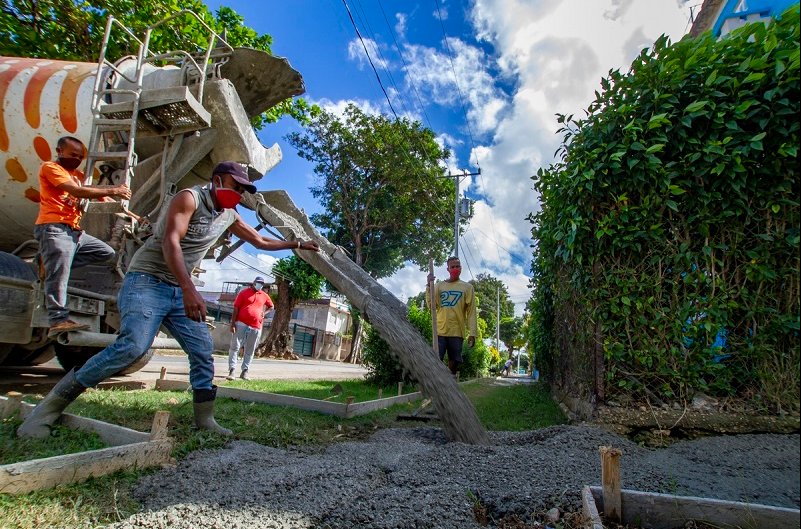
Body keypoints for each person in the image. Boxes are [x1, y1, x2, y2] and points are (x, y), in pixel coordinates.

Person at [18, 161, 320, 439]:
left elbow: (261, 241)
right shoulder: (190, 198)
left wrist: (296, 243)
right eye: (235, 186)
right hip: (146, 281)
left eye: (243, 190)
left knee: (203, 350)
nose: (238, 193)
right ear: (217, 181)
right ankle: (47, 410)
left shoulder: (228, 214)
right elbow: (170, 241)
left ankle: (205, 420)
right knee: (133, 347)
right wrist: (190, 289)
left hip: (178, 289)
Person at [35, 136, 132, 336]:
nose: (77, 159)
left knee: (105, 252)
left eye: (80, 156)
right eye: (73, 155)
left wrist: (132, 215)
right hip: (55, 227)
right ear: (60, 151)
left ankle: (47, 260)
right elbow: (76, 191)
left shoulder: (78, 174)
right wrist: (116, 189)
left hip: (75, 232)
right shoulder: (51, 168)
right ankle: (58, 320)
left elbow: (101, 198)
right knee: (59, 275)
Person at [427, 256, 477, 376]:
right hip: (439, 330)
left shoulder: (467, 288)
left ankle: (450, 384)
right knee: (436, 359)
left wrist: (473, 333)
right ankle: (437, 385)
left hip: (457, 331)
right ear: (448, 269)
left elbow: (471, 312)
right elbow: (431, 306)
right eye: (452, 267)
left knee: (454, 361)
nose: (455, 269)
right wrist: (429, 286)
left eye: (457, 266)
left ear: (461, 268)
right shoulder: (439, 286)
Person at [227, 276, 274, 381]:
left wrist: (263, 313)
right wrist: (233, 323)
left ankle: (245, 371)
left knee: (250, 349)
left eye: (262, 284)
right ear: (254, 282)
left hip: (256, 325)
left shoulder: (264, 295)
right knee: (235, 346)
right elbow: (236, 308)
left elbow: (271, 306)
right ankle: (232, 370)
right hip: (241, 323)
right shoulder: (243, 293)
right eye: (258, 283)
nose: (260, 285)